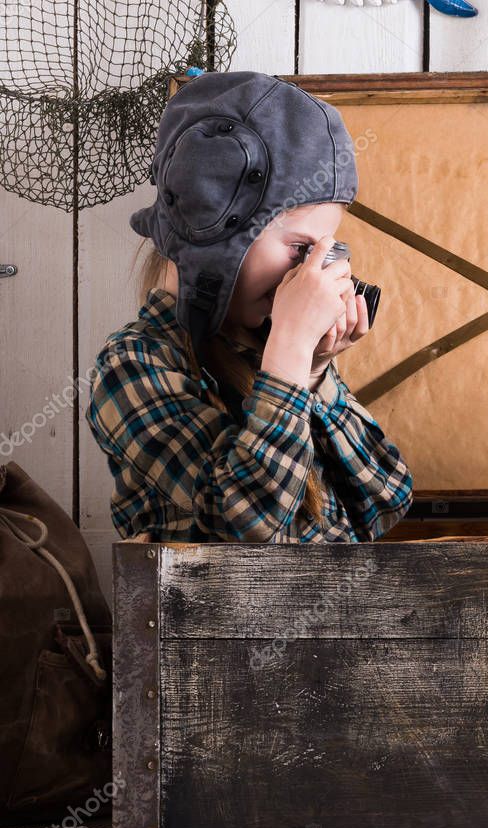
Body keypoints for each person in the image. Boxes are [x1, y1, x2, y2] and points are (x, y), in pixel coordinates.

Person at [86, 71, 413, 543]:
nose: (309, 274)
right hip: (206, 616)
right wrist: (290, 354)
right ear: (217, 230)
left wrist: (316, 371)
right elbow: (250, 523)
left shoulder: (276, 354)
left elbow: (386, 502)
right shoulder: (133, 364)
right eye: (300, 248)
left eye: (325, 250)